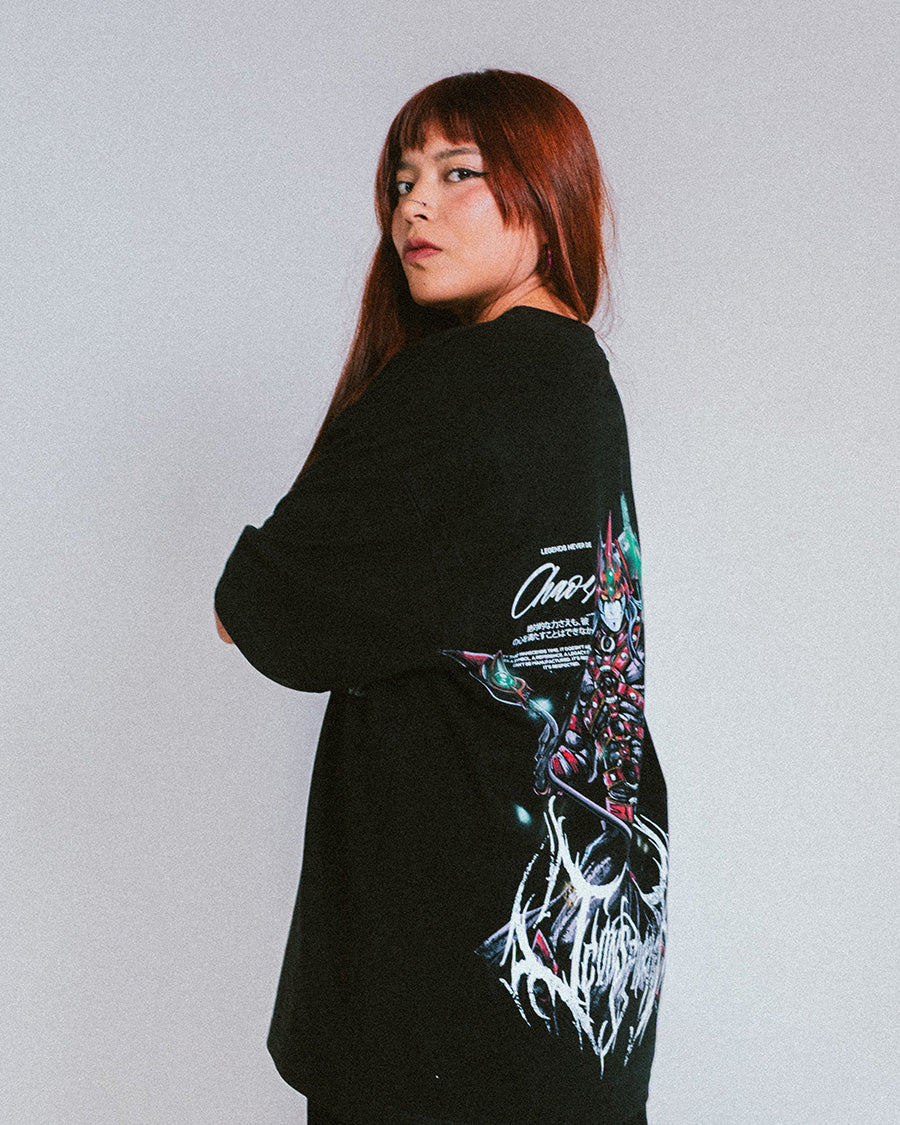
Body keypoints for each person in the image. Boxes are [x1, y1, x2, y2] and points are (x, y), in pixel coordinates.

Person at [215, 70, 668, 1125]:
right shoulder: (580, 384)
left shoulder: (457, 381)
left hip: (446, 971)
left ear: (547, 197)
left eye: (458, 173)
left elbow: (258, 611)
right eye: (403, 180)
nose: (413, 205)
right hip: (582, 962)